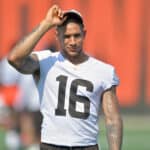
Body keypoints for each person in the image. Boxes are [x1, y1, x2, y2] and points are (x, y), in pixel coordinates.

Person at [7, 4, 123, 150]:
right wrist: (45, 24)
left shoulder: (103, 71)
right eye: (67, 36)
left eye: (77, 35)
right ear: (57, 36)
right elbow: (14, 58)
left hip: (86, 145)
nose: (72, 42)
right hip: (52, 145)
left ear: (84, 34)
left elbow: (113, 119)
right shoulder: (45, 61)